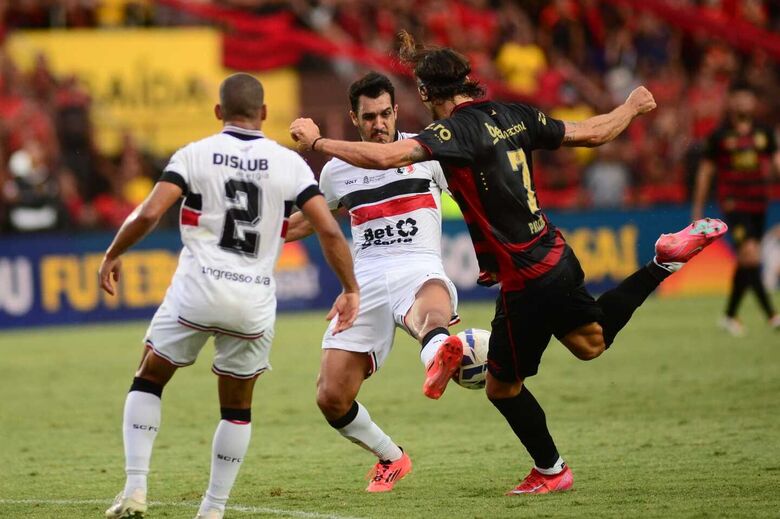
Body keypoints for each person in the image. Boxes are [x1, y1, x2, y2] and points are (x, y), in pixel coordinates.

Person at [289, 32, 727, 496]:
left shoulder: (449, 134)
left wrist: (317, 142)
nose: (379, 122)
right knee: (590, 341)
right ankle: (661, 263)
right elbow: (591, 132)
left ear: (419, 97)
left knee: (500, 387)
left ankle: (550, 470)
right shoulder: (515, 114)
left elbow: (389, 156)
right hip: (553, 251)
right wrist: (633, 106)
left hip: (523, 278)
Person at [99, 73, 359, 519]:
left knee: (149, 376)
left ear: (219, 112)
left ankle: (136, 488)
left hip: (196, 291)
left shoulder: (194, 154)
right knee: (237, 407)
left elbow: (149, 213)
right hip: (253, 300)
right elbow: (329, 228)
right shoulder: (290, 164)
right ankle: (213, 509)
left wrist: (112, 253)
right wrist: (351, 288)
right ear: (263, 114)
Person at [285, 72, 463, 492]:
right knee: (330, 396)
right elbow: (309, 222)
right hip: (362, 282)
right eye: (369, 117)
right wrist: (254, 233)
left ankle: (439, 351)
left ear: (396, 111)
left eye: (386, 113)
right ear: (354, 118)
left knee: (431, 310)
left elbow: (473, 194)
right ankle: (392, 457)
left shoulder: (427, 150)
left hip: (417, 265)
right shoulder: (335, 171)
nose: (379, 124)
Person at [692, 81, 780, 335]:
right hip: (733, 203)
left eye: (747, 98)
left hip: (758, 203)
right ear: (731, 103)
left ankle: (730, 316)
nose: (743, 103)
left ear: (753, 103)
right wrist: (697, 210)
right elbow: (705, 173)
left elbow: (776, 164)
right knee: (751, 255)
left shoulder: (764, 133)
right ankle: (772, 316)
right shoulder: (719, 136)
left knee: (747, 261)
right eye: (738, 99)